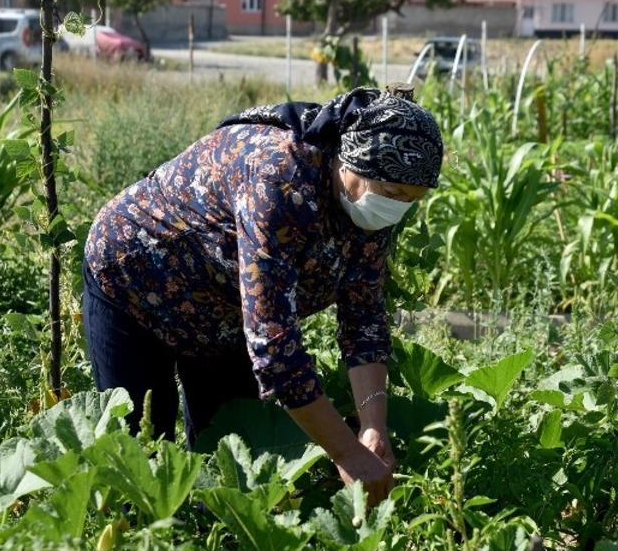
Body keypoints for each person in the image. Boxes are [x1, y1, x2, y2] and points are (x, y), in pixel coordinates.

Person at [82, 86, 443, 505]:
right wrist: (347, 455)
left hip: (223, 312)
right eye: (392, 194)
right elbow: (275, 352)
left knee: (232, 460)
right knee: (141, 459)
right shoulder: (278, 179)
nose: (395, 209)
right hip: (136, 285)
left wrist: (372, 427)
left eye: (410, 201)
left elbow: (363, 320)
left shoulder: (368, 209)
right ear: (350, 162)